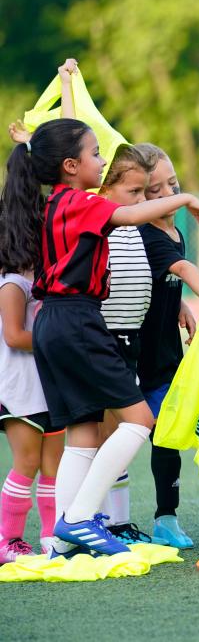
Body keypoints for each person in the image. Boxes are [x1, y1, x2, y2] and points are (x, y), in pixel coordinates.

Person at [6, 118, 199, 557]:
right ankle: (80, 518)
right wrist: (187, 196)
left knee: (82, 431)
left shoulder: (51, 202)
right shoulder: (80, 202)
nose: (102, 160)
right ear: (69, 165)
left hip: (54, 325)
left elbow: (60, 142)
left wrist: (31, 141)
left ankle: (61, 539)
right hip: (79, 322)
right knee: (140, 421)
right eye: (96, 153)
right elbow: (133, 214)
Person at [134, 144, 199, 549]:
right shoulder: (146, 233)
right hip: (139, 358)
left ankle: (166, 519)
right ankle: (132, 515)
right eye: (154, 191)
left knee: (168, 436)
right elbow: (181, 267)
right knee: (158, 434)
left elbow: (161, 279)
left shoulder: (174, 231)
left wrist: (178, 303)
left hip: (166, 354)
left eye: (173, 185)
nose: (167, 196)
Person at [96, 144, 160, 544]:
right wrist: (69, 85)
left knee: (118, 435)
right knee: (105, 435)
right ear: (104, 191)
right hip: (103, 338)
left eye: (144, 192)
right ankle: (95, 518)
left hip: (129, 337)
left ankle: (116, 523)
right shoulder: (101, 220)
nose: (141, 201)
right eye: (134, 193)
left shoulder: (133, 228)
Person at [0, 163, 63, 559]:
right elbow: (15, 336)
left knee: (54, 468)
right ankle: (8, 541)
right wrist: (59, 342)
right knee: (26, 462)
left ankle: (51, 538)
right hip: (20, 388)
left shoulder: (41, 280)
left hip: (51, 384)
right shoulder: (12, 282)